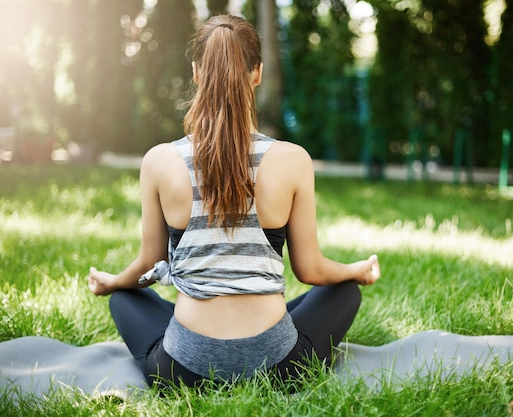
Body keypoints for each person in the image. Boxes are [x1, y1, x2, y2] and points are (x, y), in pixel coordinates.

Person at [88, 14, 380, 389]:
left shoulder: (159, 161)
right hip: (279, 368)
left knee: (123, 299)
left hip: (183, 371)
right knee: (343, 291)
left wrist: (112, 283)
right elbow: (311, 271)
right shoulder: (293, 160)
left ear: (196, 73)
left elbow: (148, 266)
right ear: (257, 73)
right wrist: (356, 271)